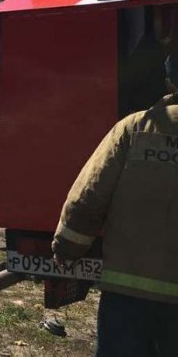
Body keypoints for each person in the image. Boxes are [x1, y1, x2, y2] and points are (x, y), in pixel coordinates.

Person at [52, 55, 178, 357]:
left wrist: (67, 248)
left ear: (169, 81)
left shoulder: (133, 129)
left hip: (127, 295)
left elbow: (90, 195)